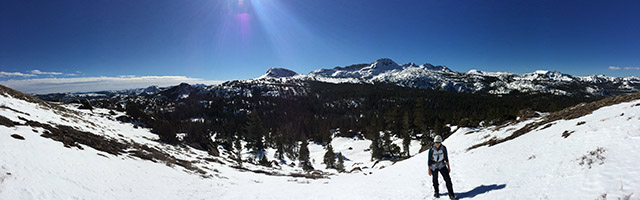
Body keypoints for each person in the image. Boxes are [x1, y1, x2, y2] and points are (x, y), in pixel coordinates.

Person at [428, 135, 455, 199]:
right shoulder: (431, 149)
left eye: (439, 142)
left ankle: (451, 194)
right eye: (436, 142)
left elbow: (446, 158)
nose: (437, 144)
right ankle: (436, 192)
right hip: (433, 166)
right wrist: (429, 169)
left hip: (442, 165)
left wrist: (448, 167)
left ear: (441, 142)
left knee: (448, 179)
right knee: (435, 180)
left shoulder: (443, 148)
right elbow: (429, 160)